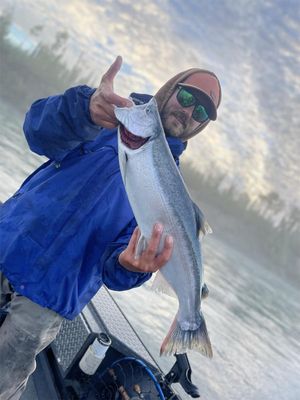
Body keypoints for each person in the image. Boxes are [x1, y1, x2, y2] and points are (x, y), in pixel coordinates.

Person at [0, 55, 221, 399]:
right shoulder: (103, 115)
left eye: (203, 111)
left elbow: (113, 268)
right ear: (170, 89)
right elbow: (36, 132)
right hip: (6, 240)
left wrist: (131, 267)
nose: (190, 112)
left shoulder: (171, 194)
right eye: (188, 97)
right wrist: (81, 110)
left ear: (203, 125)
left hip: (51, 295)